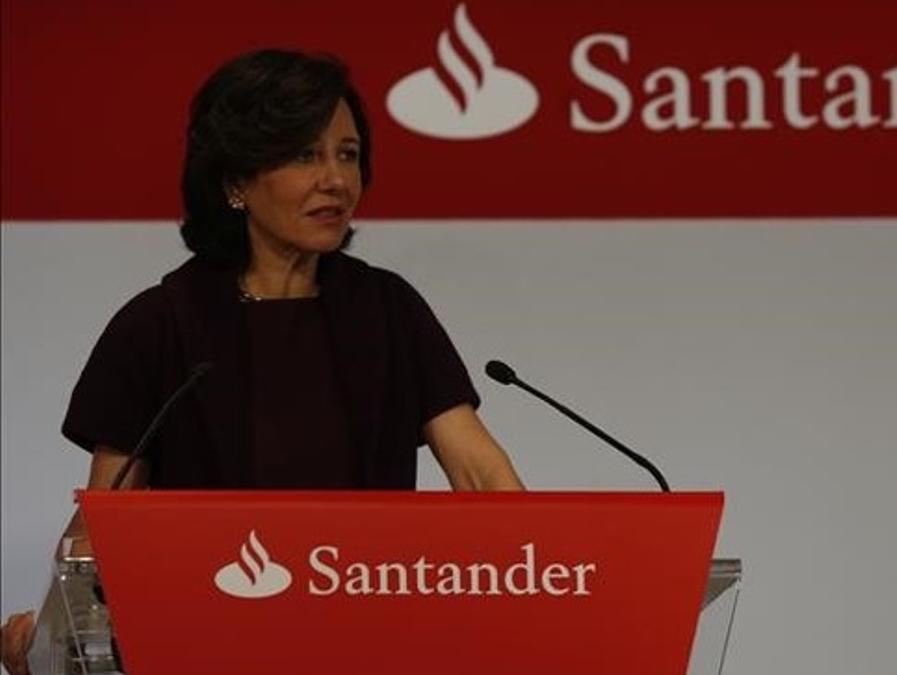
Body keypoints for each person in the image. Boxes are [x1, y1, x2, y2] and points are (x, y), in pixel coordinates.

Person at [2, 49, 523, 674]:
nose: (336, 179)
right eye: (304, 155)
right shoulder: (160, 325)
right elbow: (104, 522)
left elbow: (484, 478)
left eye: (348, 154)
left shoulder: (387, 310)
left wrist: (536, 579)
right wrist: (50, 634)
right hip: (205, 650)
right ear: (234, 183)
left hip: (373, 646)